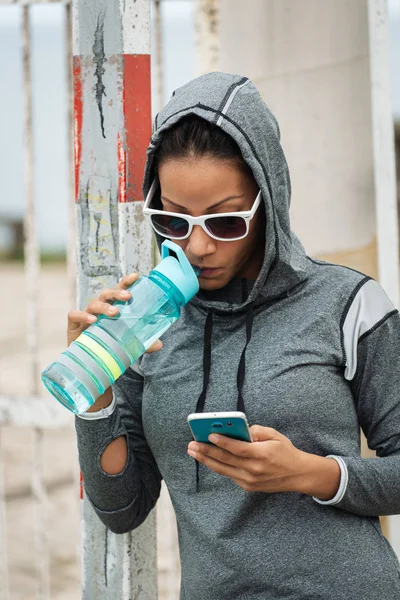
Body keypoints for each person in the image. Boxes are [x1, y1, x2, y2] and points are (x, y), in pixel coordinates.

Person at [71, 72, 400, 599]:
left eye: (225, 223)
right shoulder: (144, 323)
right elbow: (121, 507)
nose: (198, 247)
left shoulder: (347, 304)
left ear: (268, 201)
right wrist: (96, 387)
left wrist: (313, 474)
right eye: (174, 221)